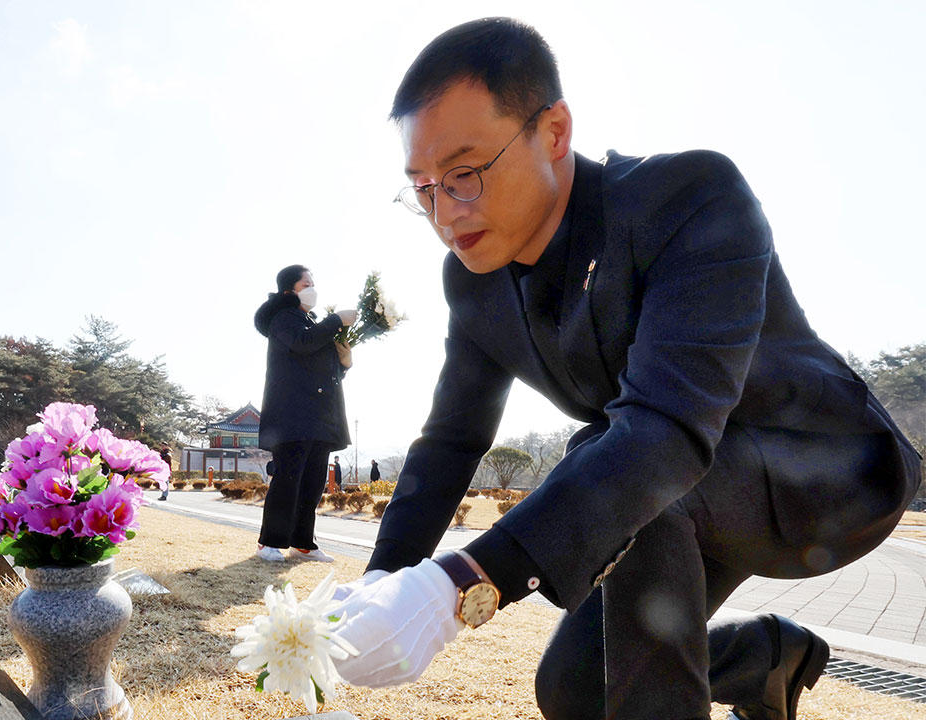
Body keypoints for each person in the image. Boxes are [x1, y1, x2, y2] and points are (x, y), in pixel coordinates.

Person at [330, 18, 922, 720]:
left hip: (827, 473)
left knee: (627, 466)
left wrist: (460, 583)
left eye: (465, 174)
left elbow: (664, 429)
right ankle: (765, 659)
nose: (444, 212)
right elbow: (452, 440)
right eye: (423, 187)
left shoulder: (689, 196)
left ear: (554, 131)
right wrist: (382, 583)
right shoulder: (473, 282)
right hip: (677, 490)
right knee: (576, 690)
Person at [252, 264, 358, 564]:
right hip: (292, 414)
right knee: (288, 479)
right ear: (289, 290)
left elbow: (321, 366)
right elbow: (302, 344)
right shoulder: (284, 317)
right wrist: (336, 320)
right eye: (306, 284)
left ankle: (303, 543)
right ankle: (270, 542)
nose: (312, 289)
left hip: (318, 416)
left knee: (312, 484)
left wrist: (344, 363)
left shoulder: (310, 321)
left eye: (313, 283)